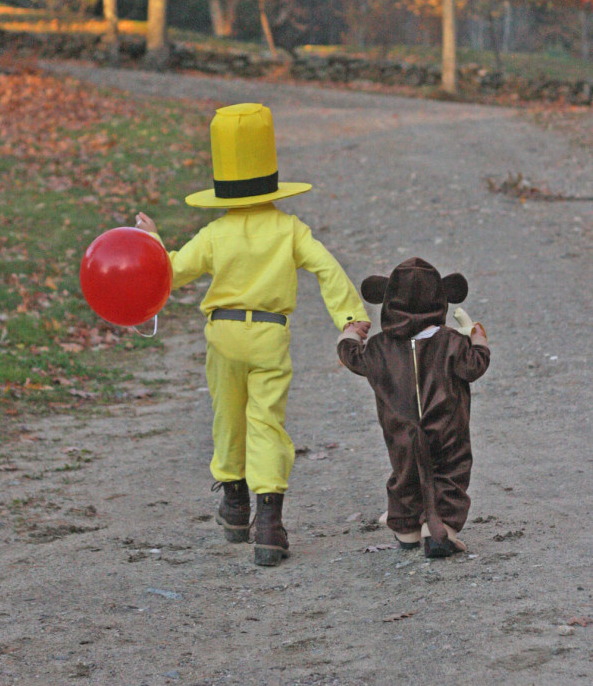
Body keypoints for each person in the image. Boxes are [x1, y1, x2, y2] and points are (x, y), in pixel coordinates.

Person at [136, 102, 370, 566]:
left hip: (222, 336)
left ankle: (234, 502)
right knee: (266, 422)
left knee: (227, 417)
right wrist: (349, 316)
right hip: (269, 336)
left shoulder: (214, 234)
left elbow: (171, 271)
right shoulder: (289, 229)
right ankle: (268, 523)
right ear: (271, 180)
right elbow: (326, 267)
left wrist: (154, 243)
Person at [337, 257, 490, 558]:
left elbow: (353, 357)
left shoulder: (380, 347)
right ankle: (441, 529)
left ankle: (406, 531)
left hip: (401, 429)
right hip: (448, 427)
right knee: (449, 473)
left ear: (387, 300)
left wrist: (350, 333)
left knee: (405, 474)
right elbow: (474, 366)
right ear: (442, 298)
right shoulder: (452, 343)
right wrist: (480, 341)